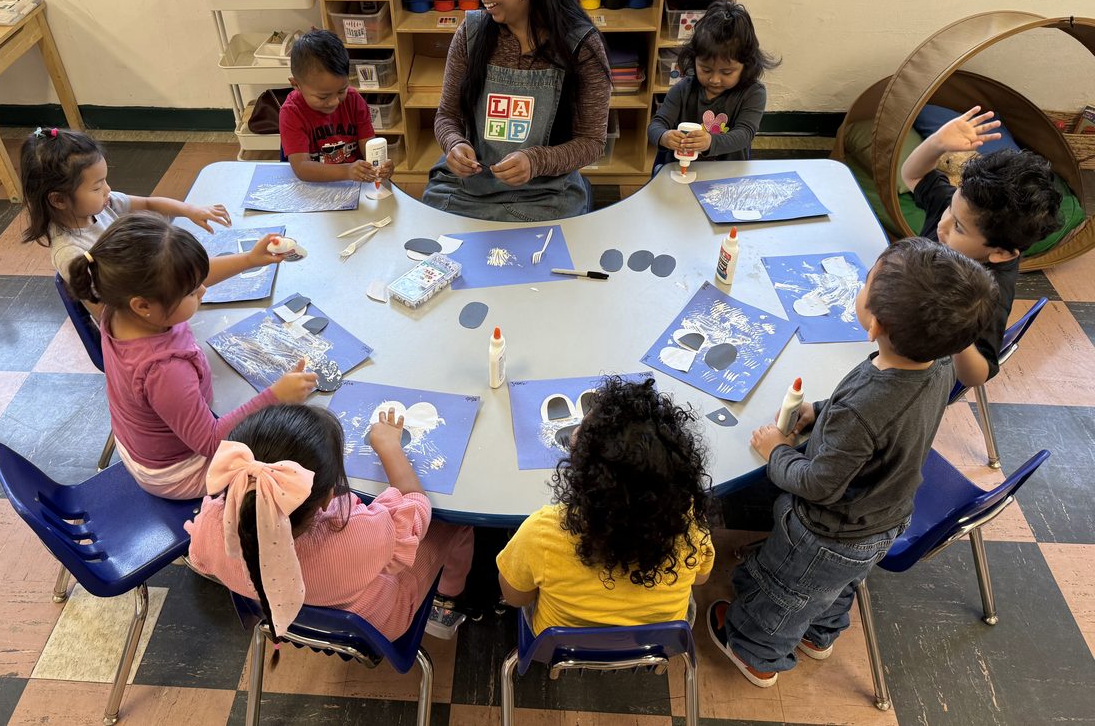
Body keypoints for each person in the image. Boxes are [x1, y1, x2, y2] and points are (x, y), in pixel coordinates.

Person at [706, 237, 1001, 687]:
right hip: (884, 518)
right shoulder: (940, 363)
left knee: (785, 593)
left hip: (826, 532)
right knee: (837, 586)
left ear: (873, 324)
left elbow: (817, 484)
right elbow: (869, 417)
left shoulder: (864, 407)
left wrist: (776, 453)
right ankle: (821, 637)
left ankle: (756, 653)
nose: (860, 287)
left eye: (865, 283)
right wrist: (820, 410)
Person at [68, 213, 318, 500]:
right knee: (295, 455)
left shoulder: (119, 306)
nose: (202, 290)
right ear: (143, 306)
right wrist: (276, 396)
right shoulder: (164, 370)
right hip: (179, 473)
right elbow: (211, 442)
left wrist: (249, 259)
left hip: (143, 443)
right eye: (191, 291)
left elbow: (185, 279)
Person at [186, 404, 475, 641]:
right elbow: (415, 509)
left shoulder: (211, 524)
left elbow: (201, 559)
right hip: (376, 622)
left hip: (280, 612)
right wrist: (390, 448)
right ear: (327, 497)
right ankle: (445, 602)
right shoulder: (356, 535)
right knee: (450, 522)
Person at [421, 0, 612, 222]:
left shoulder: (580, 46)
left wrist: (535, 161)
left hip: (546, 191)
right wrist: (454, 144)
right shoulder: (470, 35)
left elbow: (591, 142)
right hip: (471, 187)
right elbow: (447, 116)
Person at [496, 376, 715, 633]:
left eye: (586, 428)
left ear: (586, 476)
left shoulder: (541, 532)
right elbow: (701, 578)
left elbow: (515, 597)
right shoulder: (689, 525)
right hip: (657, 640)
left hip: (564, 646)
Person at [21, 128, 280, 316]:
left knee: (186, 267)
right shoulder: (71, 253)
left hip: (151, 298)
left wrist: (190, 209)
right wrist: (173, 306)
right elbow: (108, 315)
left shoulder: (102, 204)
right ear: (58, 200)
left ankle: (247, 261)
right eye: (98, 186)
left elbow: (148, 203)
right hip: (141, 323)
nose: (108, 190)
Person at [900, 107, 1061, 386]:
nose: (943, 225)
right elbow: (912, 175)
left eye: (959, 228)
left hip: (920, 370)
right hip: (897, 314)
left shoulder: (990, 291)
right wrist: (938, 142)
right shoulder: (962, 211)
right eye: (950, 208)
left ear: (999, 253)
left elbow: (977, 374)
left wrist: (956, 330)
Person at [649, 0, 777, 173]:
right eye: (706, 69)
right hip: (680, 170)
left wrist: (711, 142)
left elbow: (745, 134)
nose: (715, 80)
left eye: (726, 72)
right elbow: (657, 124)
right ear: (694, 60)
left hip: (726, 172)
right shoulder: (683, 89)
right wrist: (664, 137)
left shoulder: (753, 93)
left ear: (746, 65)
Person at [279, 30, 392, 184]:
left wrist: (380, 164)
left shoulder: (353, 100)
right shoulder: (292, 112)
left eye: (341, 90)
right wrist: (347, 170)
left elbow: (368, 146)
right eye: (323, 96)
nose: (334, 102)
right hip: (314, 185)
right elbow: (301, 168)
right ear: (296, 85)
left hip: (354, 182)